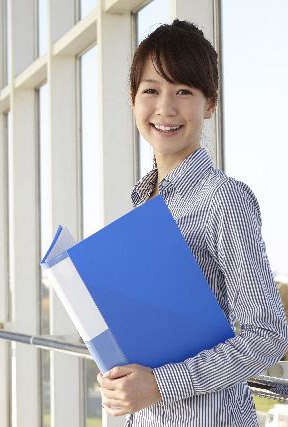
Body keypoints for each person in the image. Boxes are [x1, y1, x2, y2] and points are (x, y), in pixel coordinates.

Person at [97, 19, 288, 427]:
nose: (166, 108)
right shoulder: (143, 204)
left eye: (184, 91)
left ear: (211, 103)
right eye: (151, 90)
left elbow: (269, 334)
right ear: (133, 100)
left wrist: (163, 384)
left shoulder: (224, 199)